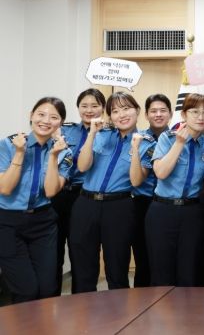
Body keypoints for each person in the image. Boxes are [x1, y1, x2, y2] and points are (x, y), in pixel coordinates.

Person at [70, 92, 144, 293]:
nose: (122, 115)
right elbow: (82, 166)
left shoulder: (146, 142)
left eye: (126, 108)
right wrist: (92, 134)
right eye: (115, 111)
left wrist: (136, 149)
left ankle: (118, 311)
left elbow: (136, 180)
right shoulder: (101, 135)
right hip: (86, 203)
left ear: (137, 110)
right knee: (83, 268)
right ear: (110, 116)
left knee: (117, 267)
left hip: (118, 207)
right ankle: (83, 309)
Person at [0, 97, 72, 303]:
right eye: (41, 114)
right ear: (31, 115)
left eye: (54, 117)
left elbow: (50, 191)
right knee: (26, 290)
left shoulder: (64, 152)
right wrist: (19, 153)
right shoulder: (7, 145)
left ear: (61, 122)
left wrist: (53, 156)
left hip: (43, 223)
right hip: (8, 222)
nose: (46, 121)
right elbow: (5, 188)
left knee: (48, 288)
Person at [145, 94, 204, 286]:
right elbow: (161, 172)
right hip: (162, 210)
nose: (200, 117)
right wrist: (179, 143)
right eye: (194, 112)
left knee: (190, 269)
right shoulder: (167, 138)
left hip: (192, 212)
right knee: (162, 270)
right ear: (184, 115)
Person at [56, 88, 105, 293]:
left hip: (84, 196)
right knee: (54, 252)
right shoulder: (65, 130)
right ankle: (51, 299)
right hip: (59, 194)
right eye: (84, 106)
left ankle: (82, 299)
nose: (89, 110)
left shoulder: (108, 133)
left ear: (103, 108)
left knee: (82, 252)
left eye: (94, 106)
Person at [128, 94, 171, 287]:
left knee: (166, 257)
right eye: (153, 111)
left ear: (170, 113)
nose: (158, 114)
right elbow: (137, 178)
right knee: (143, 257)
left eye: (163, 110)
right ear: (146, 115)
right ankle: (143, 300)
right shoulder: (140, 139)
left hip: (168, 205)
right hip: (143, 203)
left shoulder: (177, 139)